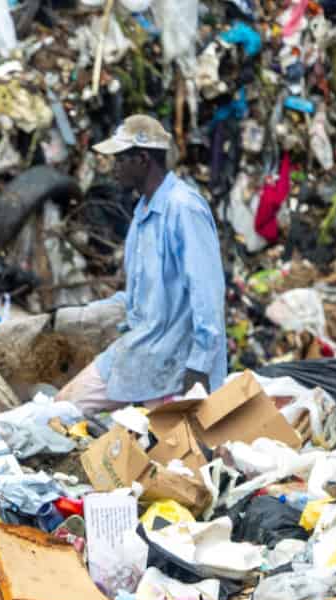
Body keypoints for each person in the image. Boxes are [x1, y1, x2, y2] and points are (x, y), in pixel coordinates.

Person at [58, 115, 228, 415]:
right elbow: (137, 299)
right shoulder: (142, 212)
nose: (114, 168)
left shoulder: (182, 208)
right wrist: (79, 318)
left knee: (173, 454)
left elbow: (207, 295)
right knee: (62, 409)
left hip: (176, 366)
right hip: (143, 352)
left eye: (121, 159)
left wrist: (199, 367)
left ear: (142, 159)